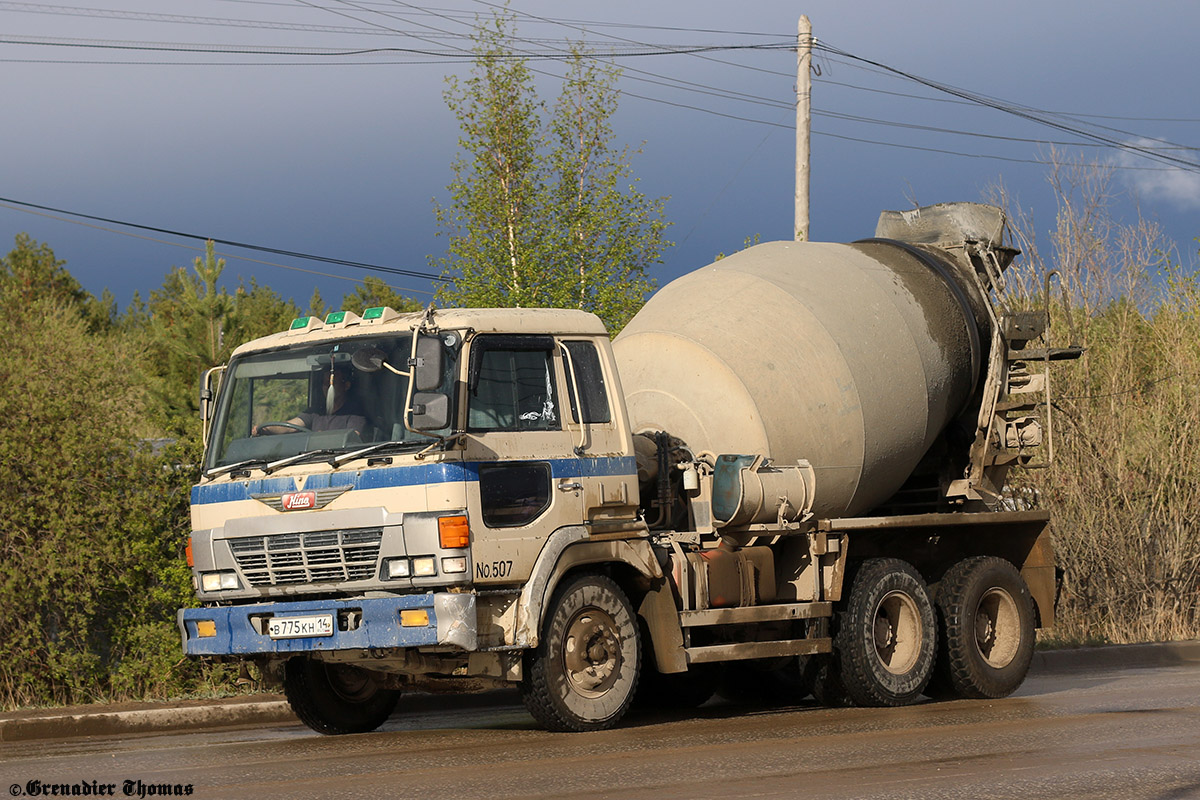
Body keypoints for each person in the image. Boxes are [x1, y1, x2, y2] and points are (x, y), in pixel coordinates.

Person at [253, 366, 368, 437]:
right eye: (324, 383)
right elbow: (289, 427)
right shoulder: (315, 412)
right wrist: (266, 429)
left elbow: (353, 438)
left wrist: (322, 438)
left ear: (346, 386)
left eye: (332, 383)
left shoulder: (355, 414)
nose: (327, 387)